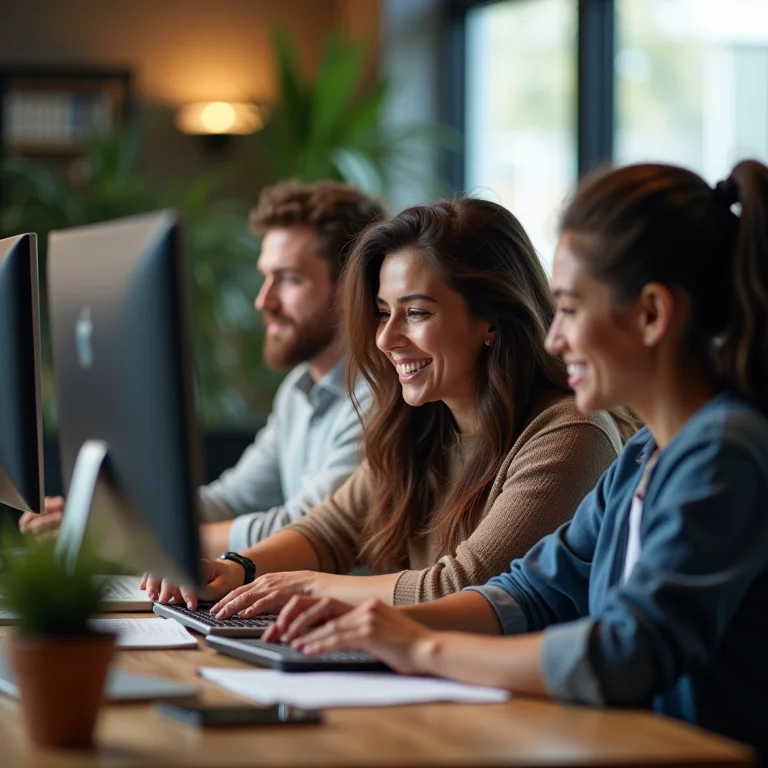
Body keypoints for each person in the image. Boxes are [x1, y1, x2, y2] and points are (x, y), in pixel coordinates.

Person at [265, 162, 768, 762]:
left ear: (652, 315)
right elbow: (533, 592)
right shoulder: (644, 455)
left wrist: (424, 649)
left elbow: (626, 652)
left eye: (573, 309)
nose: (554, 338)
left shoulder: (723, 452)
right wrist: (387, 628)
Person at [146, 197, 627, 612]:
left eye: (416, 313)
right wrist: (237, 570)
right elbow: (330, 530)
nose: (386, 338)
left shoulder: (569, 433)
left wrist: (306, 587)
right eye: (382, 313)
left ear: (492, 321)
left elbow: (464, 587)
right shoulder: (417, 422)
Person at [20, 180, 386, 558]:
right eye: (265, 277)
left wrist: (138, 539)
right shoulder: (299, 389)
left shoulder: (378, 398)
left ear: (350, 290)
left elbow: (307, 527)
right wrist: (109, 518)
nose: (264, 300)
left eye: (290, 279)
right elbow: (232, 499)